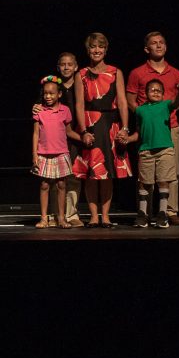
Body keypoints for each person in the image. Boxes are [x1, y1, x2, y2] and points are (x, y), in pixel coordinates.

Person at [126, 31, 179, 224]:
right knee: (146, 171)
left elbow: (178, 102)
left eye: (162, 42)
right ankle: (146, 212)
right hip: (147, 130)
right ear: (147, 49)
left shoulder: (176, 73)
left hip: (170, 127)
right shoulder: (137, 73)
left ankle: (169, 211)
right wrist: (145, 117)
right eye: (154, 43)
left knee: (170, 171)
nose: (159, 45)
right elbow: (130, 100)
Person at [73, 32, 130, 228]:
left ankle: (105, 215)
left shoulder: (116, 72)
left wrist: (125, 128)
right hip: (90, 124)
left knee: (106, 172)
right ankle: (94, 215)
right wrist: (83, 131)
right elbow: (79, 105)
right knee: (91, 173)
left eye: (100, 47)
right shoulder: (81, 74)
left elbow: (122, 102)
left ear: (105, 50)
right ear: (88, 50)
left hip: (110, 124)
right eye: (93, 47)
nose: (96, 50)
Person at [121, 78, 179, 228]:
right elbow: (139, 132)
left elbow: (177, 102)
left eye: (159, 90)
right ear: (145, 93)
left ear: (163, 94)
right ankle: (143, 214)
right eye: (152, 90)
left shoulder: (166, 105)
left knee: (163, 180)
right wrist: (128, 139)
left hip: (165, 150)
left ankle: (162, 214)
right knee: (144, 182)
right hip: (146, 151)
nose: (156, 92)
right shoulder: (140, 110)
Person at [31, 76, 82, 228]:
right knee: (45, 185)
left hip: (61, 153)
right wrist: (35, 155)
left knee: (61, 185)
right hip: (43, 153)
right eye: (46, 93)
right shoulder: (39, 110)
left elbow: (68, 131)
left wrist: (82, 137)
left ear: (59, 94)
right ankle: (44, 218)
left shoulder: (64, 110)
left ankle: (61, 218)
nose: (48, 96)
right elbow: (35, 134)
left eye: (52, 93)